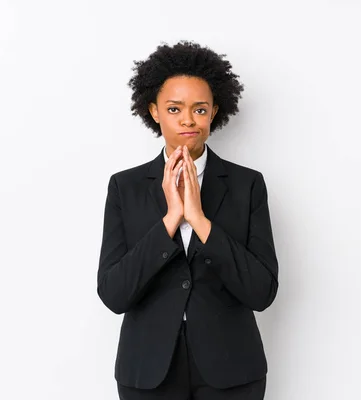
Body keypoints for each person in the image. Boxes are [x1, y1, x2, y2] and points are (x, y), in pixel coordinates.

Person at [97, 40, 279, 400]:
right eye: (174, 108)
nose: (187, 120)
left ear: (214, 112)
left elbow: (262, 292)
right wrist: (170, 220)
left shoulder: (247, 185)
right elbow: (114, 293)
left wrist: (199, 220)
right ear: (154, 111)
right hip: (147, 372)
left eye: (199, 109)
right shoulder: (125, 187)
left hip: (232, 372)